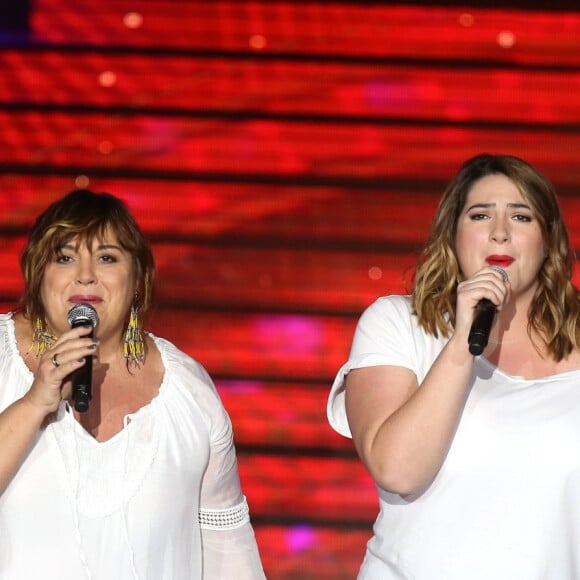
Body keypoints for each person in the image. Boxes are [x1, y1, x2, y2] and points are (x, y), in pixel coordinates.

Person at [327, 153, 580, 579]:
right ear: (453, 233)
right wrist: (463, 342)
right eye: (481, 215)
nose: (500, 234)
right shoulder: (399, 324)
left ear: (548, 239)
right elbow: (398, 469)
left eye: (521, 217)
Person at [0, 189, 266, 579]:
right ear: (38, 274)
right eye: (65, 257)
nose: (85, 274)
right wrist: (35, 402)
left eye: (107, 258)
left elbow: (224, 541)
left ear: (138, 280)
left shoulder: (186, 389)